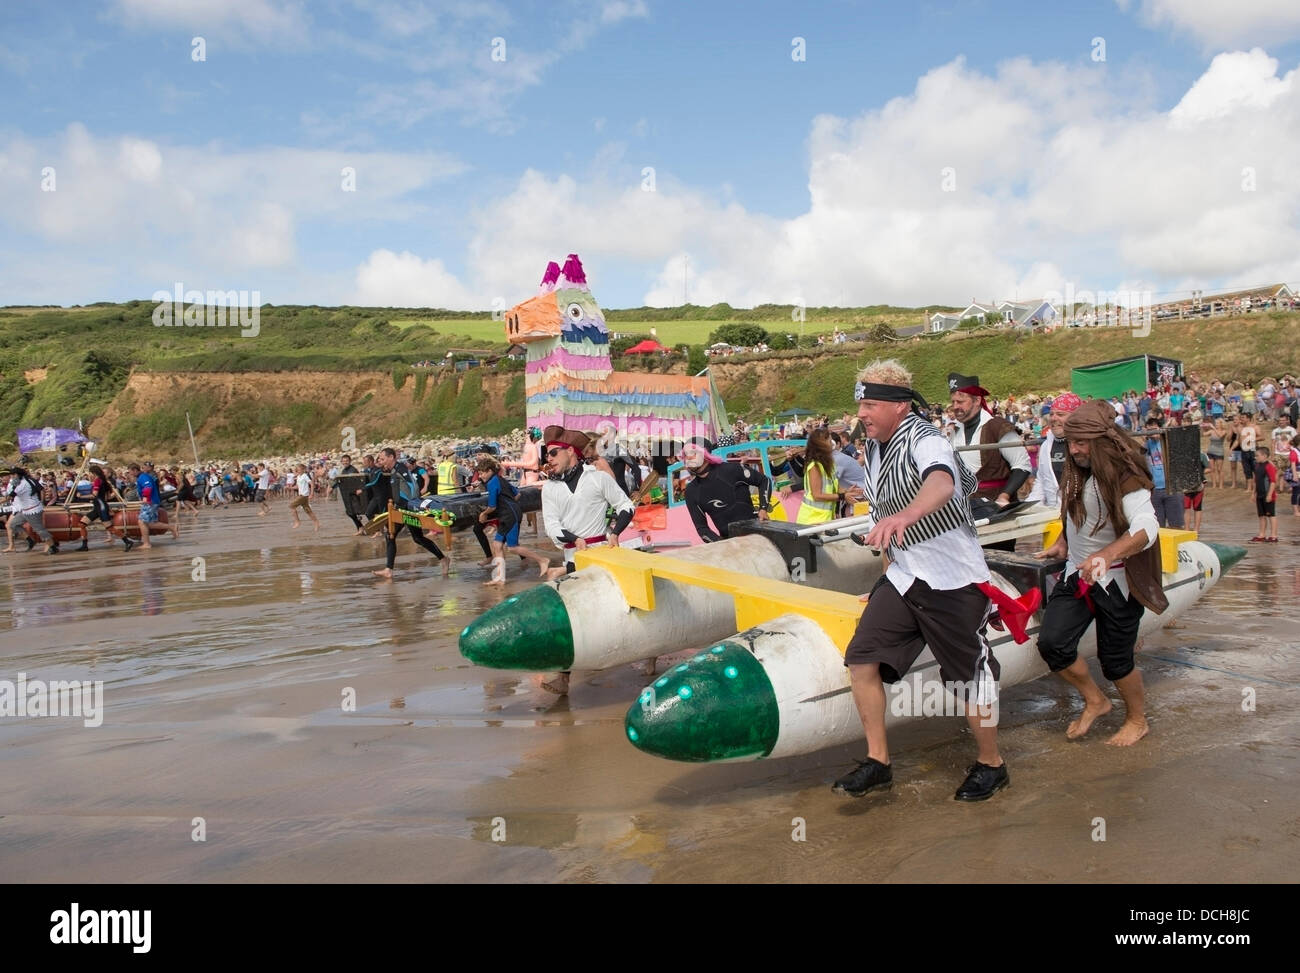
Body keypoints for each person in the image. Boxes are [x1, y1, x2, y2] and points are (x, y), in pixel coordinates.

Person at [833, 360, 1031, 803]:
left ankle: (992, 765)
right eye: (860, 404)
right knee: (862, 659)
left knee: (968, 677)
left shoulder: (925, 438)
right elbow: (885, 522)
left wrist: (905, 515)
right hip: (904, 577)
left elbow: (940, 482)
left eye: (869, 404)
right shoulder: (876, 445)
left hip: (952, 579)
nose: (860, 414)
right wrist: (884, 580)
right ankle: (878, 763)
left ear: (899, 407)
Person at [1034, 399, 1167, 747]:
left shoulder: (1128, 476)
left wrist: (1107, 555)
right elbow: (1079, 511)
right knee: (1052, 645)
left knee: (1116, 662)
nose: (1074, 450)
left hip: (1118, 581)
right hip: (1076, 575)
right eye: (1071, 442)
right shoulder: (1078, 468)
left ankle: (1138, 720)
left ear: (1103, 442)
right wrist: (1064, 541)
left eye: (1081, 443)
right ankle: (1096, 700)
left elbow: (1146, 527)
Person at [536, 424, 636, 694]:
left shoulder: (598, 479)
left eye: (554, 453)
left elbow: (626, 505)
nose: (549, 459)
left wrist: (615, 532)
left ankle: (647, 652)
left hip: (606, 559)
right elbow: (552, 527)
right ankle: (562, 677)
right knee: (570, 617)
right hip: (573, 560)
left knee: (620, 610)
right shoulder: (550, 489)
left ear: (571, 452)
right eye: (547, 454)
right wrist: (574, 539)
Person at [947, 372, 1032, 549]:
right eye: (953, 402)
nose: (955, 406)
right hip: (964, 509)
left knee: (996, 560)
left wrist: (1005, 495)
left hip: (995, 509)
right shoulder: (955, 431)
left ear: (977, 400)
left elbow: (1022, 465)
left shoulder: (998, 427)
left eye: (961, 402)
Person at [474, 455, 551, 585]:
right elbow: (517, 494)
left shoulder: (492, 483)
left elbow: (492, 506)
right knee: (497, 545)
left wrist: (483, 514)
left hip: (509, 515)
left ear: (489, 471)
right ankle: (500, 578)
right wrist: (508, 503)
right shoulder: (500, 479)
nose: (480, 476)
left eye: (481, 473)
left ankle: (542, 560)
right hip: (511, 513)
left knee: (513, 547)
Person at [372, 447, 447, 580]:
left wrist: (412, 504)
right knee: (412, 537)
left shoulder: (401, 469)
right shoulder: (394, 471)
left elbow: (413, 486)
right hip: (401, 508)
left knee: (392, 535)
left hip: (407, 509)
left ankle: (389, 569)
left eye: (383, 459)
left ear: (391, 457)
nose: (381, 461)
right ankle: (443, 559)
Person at [681, 439, 772, 542]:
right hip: (730, 542)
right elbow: (702, 529)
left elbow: (764, 481)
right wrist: (723, 545)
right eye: (685, 455)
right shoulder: (691, 491)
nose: (688, 458)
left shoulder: (732, 469)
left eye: (693, 453)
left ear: (704, 454)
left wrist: (763, 509)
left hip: (758, 535)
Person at [1026, 393, 1082, 507]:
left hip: (1082, 514)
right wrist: (1030, 506)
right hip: (1054, 515)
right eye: (1051, 414)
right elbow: (1041, 480)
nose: (1053, 418)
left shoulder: (1085, 444)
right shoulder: (1046, 445)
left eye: (1060, 414)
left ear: (1075, 417)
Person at [795, 428, 847, 524]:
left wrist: (850, 492)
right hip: (812, 520)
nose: (832, 443)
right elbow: (817, 496)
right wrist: (842, 496)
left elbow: (836, 487)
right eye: (829, 440)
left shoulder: (829, 464)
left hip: (824, 518)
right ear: (821, 444)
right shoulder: (815, 466)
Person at [2, 465, 57, 554]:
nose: (11, 477)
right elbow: (41, 489)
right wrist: (41, 502)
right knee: (13, 525)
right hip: (26, 510)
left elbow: (9, 497)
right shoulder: (29, 480)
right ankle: (30, 540)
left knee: (39, 530)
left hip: (32, 510)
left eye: (12, 475)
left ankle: (52, 546)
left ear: (17, 475)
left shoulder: (22, 485)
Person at [1142, 418, 1184, 528]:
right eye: (1150, 430)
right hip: (1155, 489)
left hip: (1172, 488)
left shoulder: (1169, 441)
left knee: (1176, 525)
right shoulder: (1146, 445)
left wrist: (1161, 434)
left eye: (1155, 429)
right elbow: (1140, 454)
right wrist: (1145, 438)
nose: (1153, 433)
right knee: (1157, 526)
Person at [130, 462, 162, 549]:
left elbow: (148, 486)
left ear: (135, 470)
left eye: (130, 472)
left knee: (142, 522)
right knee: (151, 523)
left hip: (150, 501)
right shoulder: (142, 476)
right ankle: (172, 528)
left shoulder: (143, 477)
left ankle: (147, 544)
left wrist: (145, 498)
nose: (130, 474)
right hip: (153, 501)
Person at [1251, 446, 1278, 543]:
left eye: (1257, 456)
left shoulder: (1269, 466)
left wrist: (1269, 495)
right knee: (1261, 516)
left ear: (1265, 456)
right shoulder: (1257, 466)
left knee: (1271, 515)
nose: (1256, 457)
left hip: (1268, 495)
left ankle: (1274, 535)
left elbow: (1273, 482)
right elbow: (1255, 481)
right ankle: (1262, 534)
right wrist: (1253, 493)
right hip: (1260, 495)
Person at [289, 463, 320, 532]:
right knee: (308, 511)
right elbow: (297, 486)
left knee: (291, 506)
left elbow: (312, 484)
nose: (298, 471)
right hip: (301, 495)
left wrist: (311, 494)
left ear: (303, 470)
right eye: (297, 470)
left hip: (304, 495)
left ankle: (297, 521)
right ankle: (316, 523)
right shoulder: (298, 477)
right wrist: (290, 487)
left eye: (300, 470)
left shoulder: (305, 476)